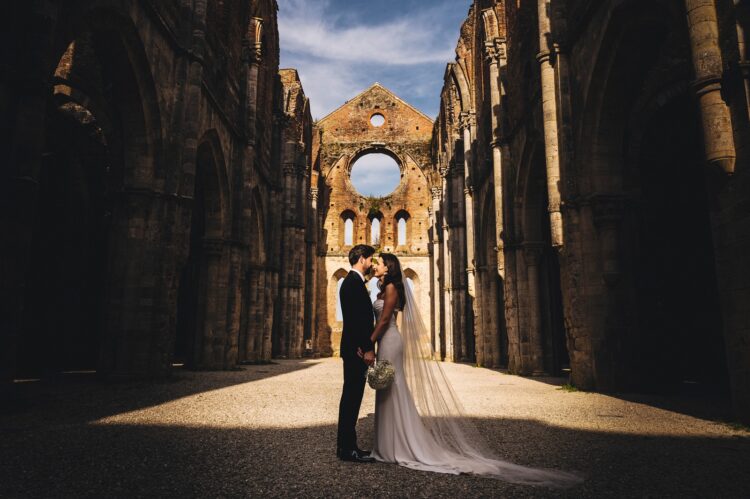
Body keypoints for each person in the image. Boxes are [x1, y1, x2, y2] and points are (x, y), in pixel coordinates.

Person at [367, 253, 584, 488]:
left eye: (379, 263)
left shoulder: (391, 289)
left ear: (388, 268)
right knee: (388, 388)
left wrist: (369, 342)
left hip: (389, 341)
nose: (376, 266)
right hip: (386, 342)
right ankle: (389, 444)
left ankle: (397, 445)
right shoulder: (384, 287)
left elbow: (385, 318)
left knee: (393, 387)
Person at [336, 244, 377, 463]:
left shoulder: (351, 282)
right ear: (362, 259)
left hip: (354, 348)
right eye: (370, 259)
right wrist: (367, 348)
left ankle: (347, 446)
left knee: (351, 397)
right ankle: (347, 448)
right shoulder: (353, 283)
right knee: (352, 398)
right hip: (356, 350)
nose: (371, 263)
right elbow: (358, 320)